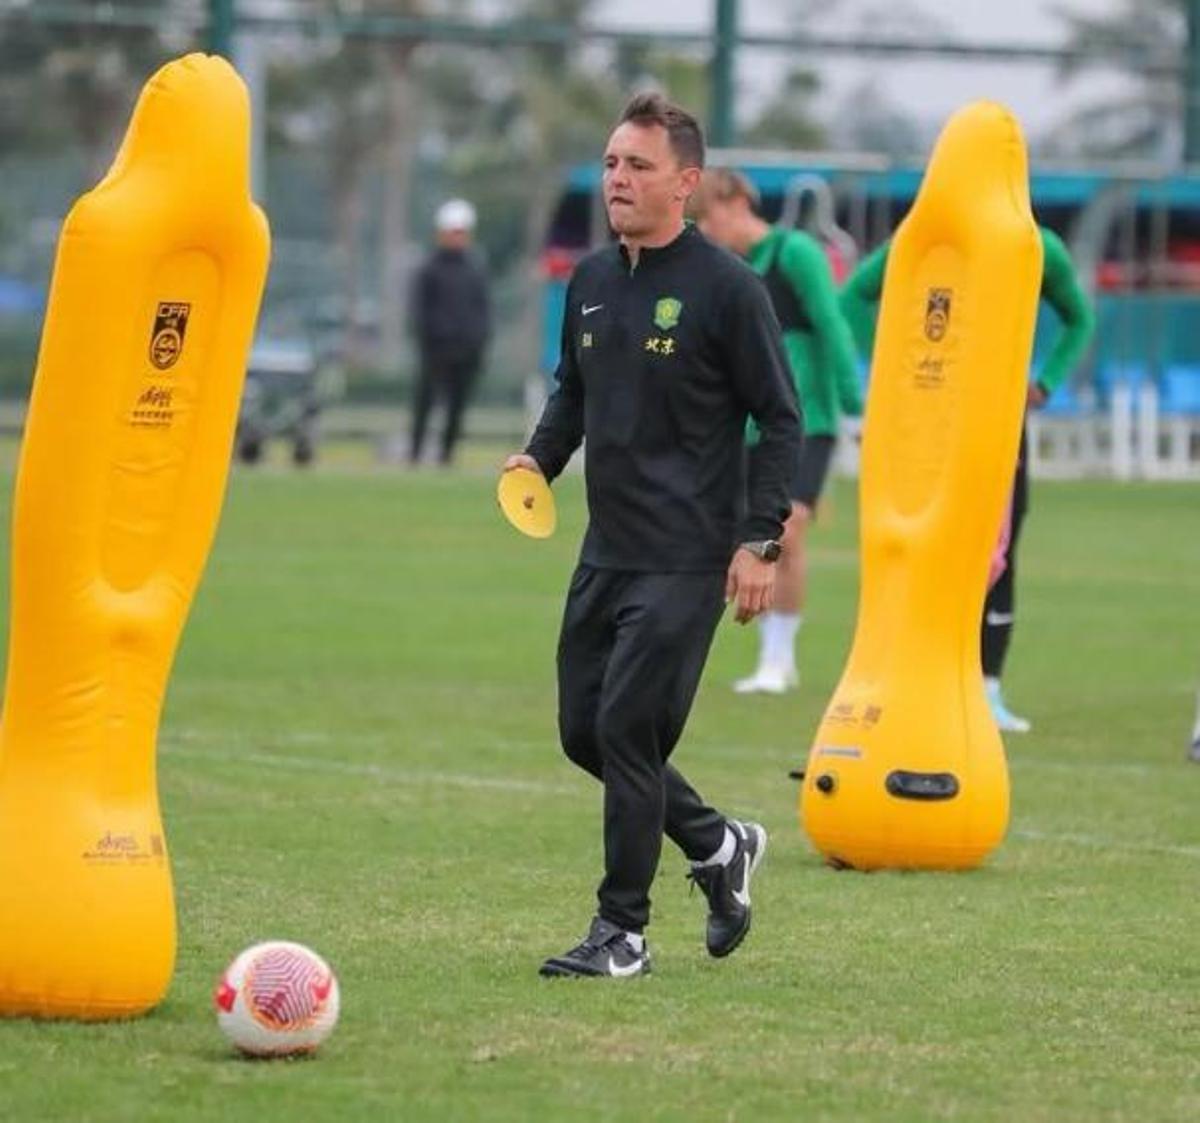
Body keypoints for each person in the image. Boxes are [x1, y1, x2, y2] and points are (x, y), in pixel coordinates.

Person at [503, 93, 802, 979]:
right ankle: (718, 846)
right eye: (609, 164)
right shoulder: (591, 283)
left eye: (637, 166)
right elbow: (574, 394)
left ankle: (622, 931)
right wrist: (536, 460)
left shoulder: (728, 290)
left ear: (686, 182)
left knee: (628, 728)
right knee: (582, 731)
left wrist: (760, 540)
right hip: (607, 551)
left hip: (688, 555)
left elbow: (780, 420)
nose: (617, 180)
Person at [840, 226, 1095, 734]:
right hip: (927, 415)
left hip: (998, 419)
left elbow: (1079, 319)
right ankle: (906, 682)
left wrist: (1045, 381)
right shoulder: (926, 237)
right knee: (917, 545)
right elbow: (852, 298)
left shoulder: (1035, 244)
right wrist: (898, 356)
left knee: (998, 554)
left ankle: (987, 691)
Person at [691, 168, 862, 694]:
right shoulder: (723, 269)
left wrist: (856, 409)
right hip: (745, 426)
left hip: (807, 420)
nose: (705, 228)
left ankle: (778, 658)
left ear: (739, 201)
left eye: (708, 215)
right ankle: (768, 655)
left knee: (784, 533)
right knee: (745, 537)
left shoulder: (797, 254)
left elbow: (832, 327)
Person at [408, 198, 491, 466]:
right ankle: (415, 454)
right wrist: (427, 338)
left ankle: (447, 455)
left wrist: (479, 341)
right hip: (436, 350)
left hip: (466, 350)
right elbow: (419, 310)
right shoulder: (429, 268)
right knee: (426, 402)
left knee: (458, 406)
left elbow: (482, 308)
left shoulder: (475, 268)